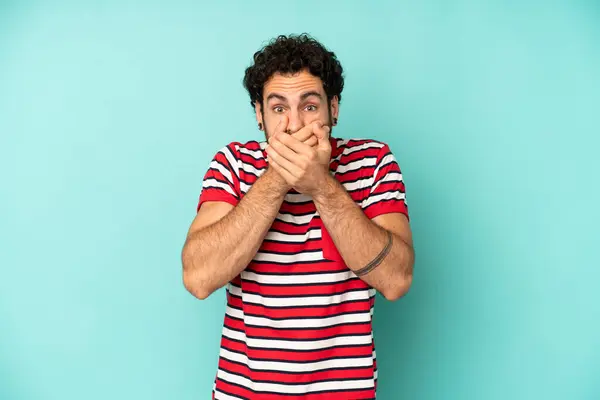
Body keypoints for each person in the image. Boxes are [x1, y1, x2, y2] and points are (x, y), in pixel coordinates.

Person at [181, 33, 415, 400]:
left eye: (309, 106)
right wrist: (277, 178)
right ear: (259, 114)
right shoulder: (233, 165)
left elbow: (396, 280)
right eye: (278, 108)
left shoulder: (373, 163)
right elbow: (198, 278)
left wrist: (321, 186)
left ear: (333, 108)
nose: (293, 125)